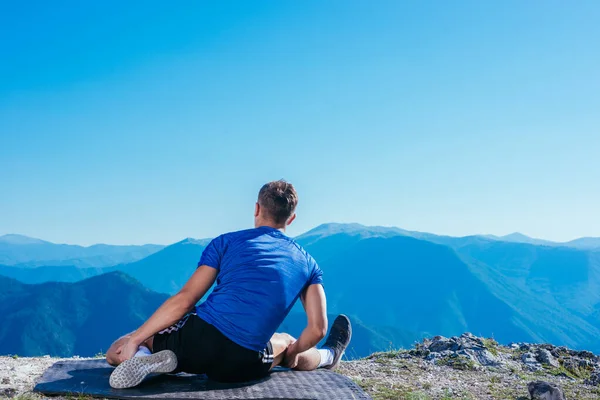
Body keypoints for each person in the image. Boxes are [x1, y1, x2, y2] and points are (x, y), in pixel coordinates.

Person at [106, 180, 352, 389]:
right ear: (292, 218)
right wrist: (294, 352)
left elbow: (185, 300)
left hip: (197, 342)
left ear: (257, 208)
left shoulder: (225, 243)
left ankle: (146, 357)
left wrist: (136, 339)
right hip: (244, 361)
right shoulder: (308, 264)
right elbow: (318, 329)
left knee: (118, 348)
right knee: (286, 343)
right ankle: (329, 356)